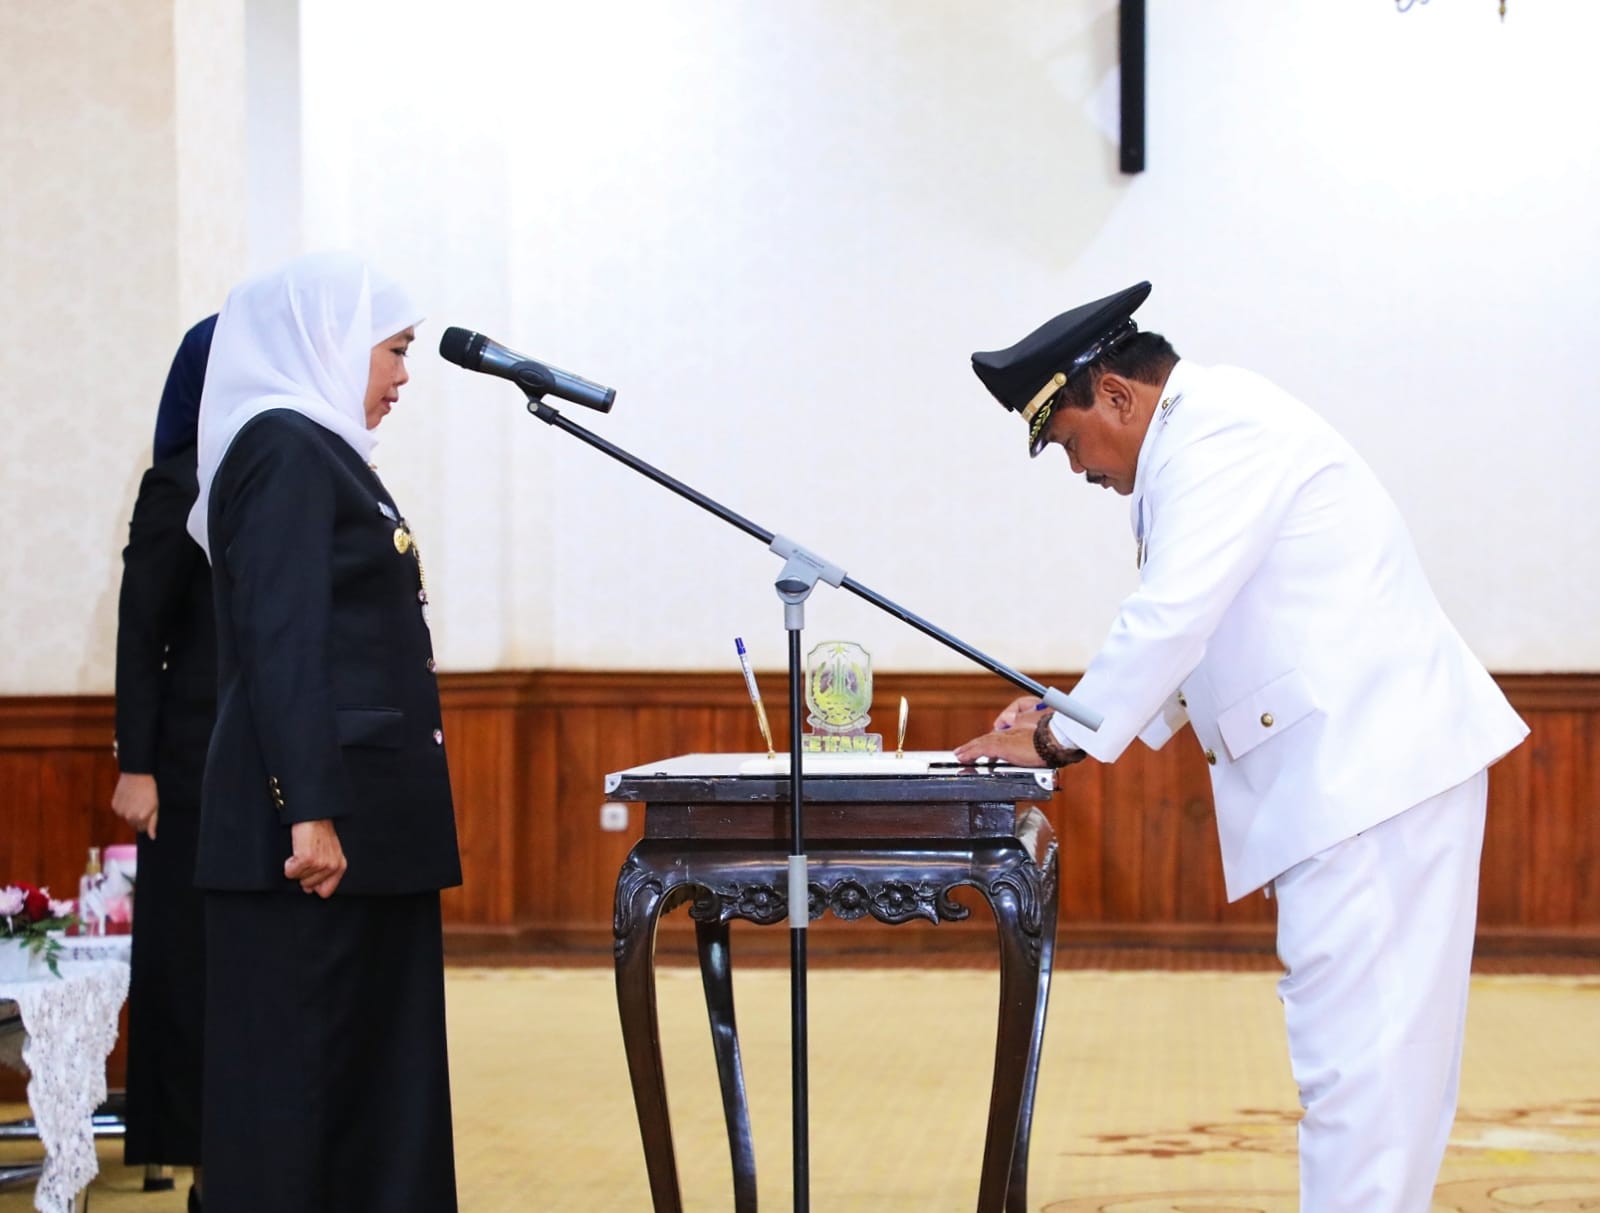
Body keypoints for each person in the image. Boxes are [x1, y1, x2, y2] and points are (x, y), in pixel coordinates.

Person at [953, 282, 1528, 1213]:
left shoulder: (1218, 434)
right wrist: (1060, 715)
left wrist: (1061, 736)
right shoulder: (1206, 435)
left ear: (1116, 396)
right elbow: (1202, 640)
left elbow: (1174, 616)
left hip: (1368, 781)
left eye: (1064, 440)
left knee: (1363, 1074)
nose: (1075, 469)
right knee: (1375, 1074)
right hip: (1363, 780)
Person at [187, 251, 462, 1212]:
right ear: (328, 341)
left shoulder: (325, 453)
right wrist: (309, 811)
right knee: (299, 1100)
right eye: (392, 350)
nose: (401, 375)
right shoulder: (281, 449)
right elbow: (282, 639)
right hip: (310, 842)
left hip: (362, 829)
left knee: (371, 1096)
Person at [111, 313, 219, 1212]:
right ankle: (189, 1149)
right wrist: (135, 763)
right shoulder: (175, 482)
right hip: (183, 765)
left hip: (255, 760)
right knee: (186, 966)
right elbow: (141, 631)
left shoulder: (276, 469)